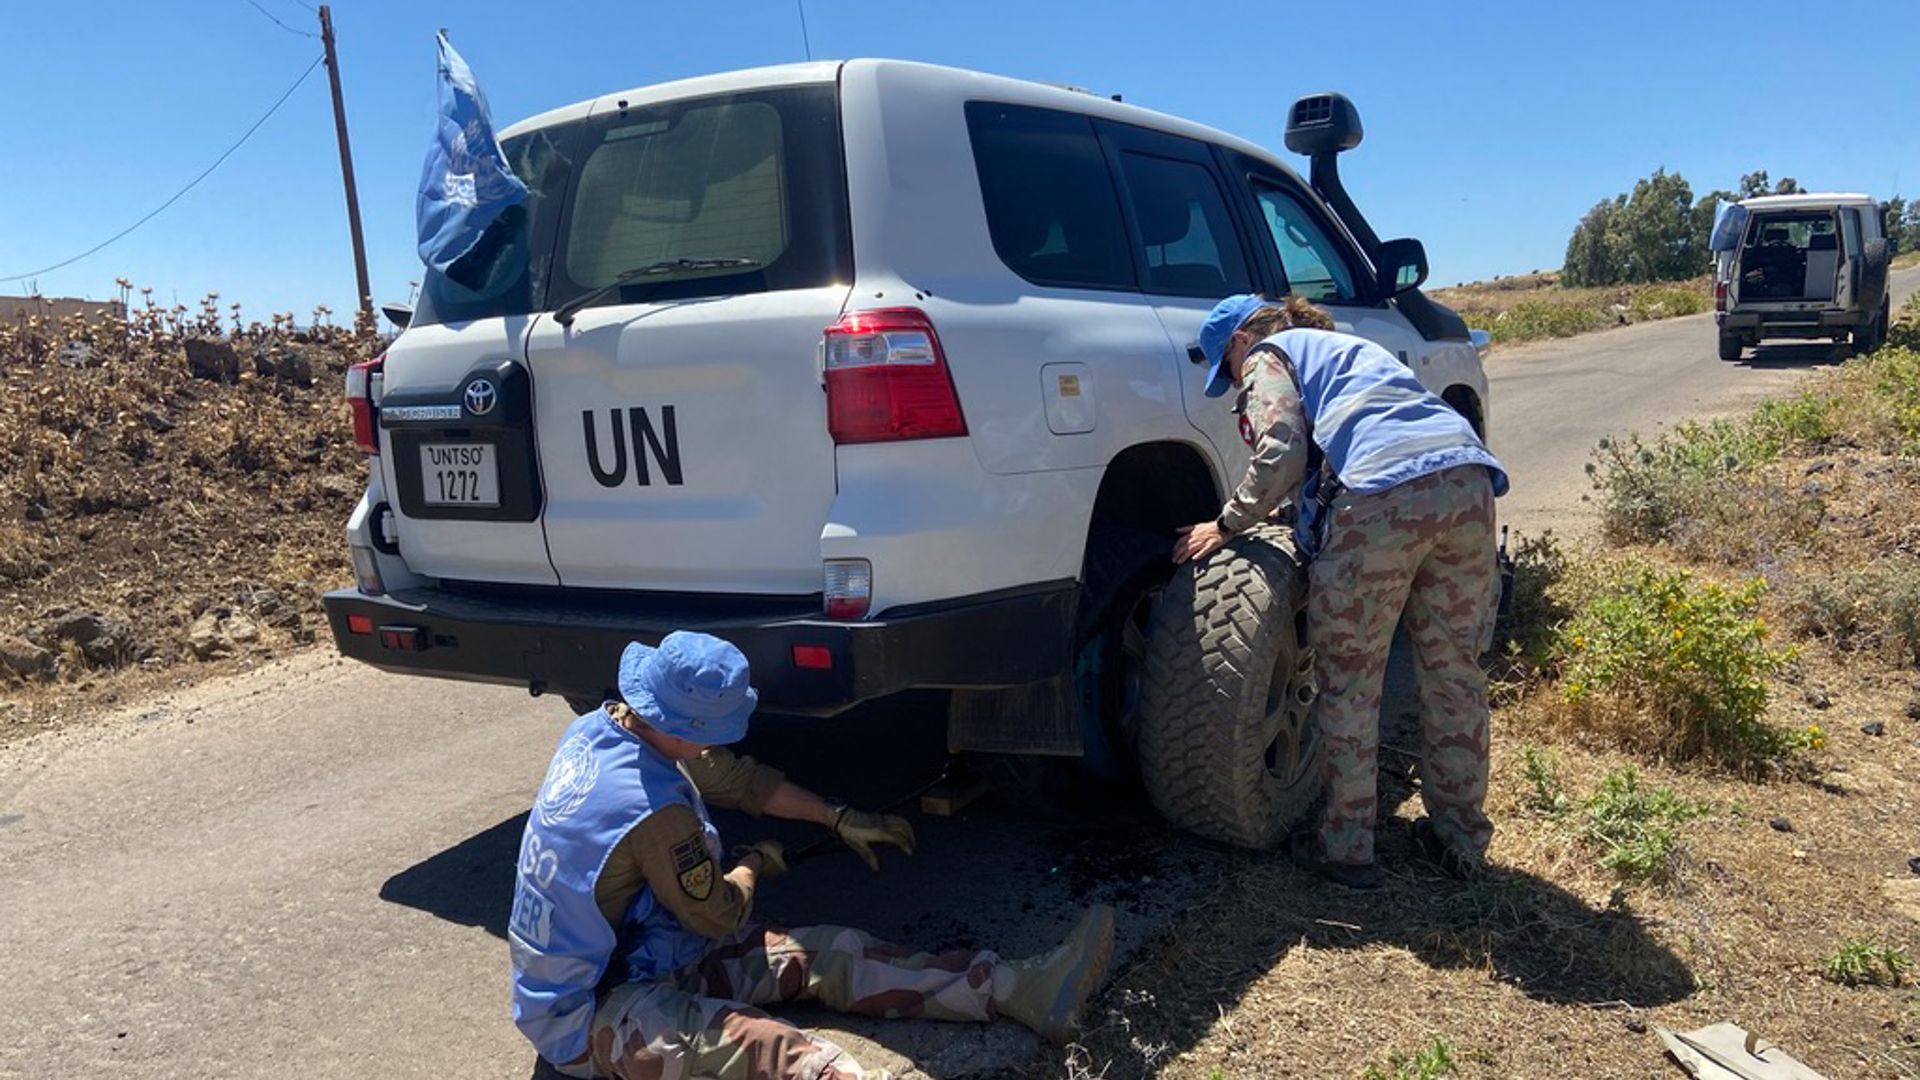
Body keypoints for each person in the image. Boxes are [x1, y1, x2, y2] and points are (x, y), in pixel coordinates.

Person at [509, 630, 1116, 1079]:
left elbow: (737, 780)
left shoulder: (606, 728)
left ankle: (1017, 987)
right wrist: (753, 864)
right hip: (590, 1016)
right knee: (780, 1051)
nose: (720, 741)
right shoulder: (652, 810)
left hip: (648, 954)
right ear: (688, 727)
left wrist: (841, 817)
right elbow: (719, 913)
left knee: (828, 951)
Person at [1173, 295, 1509, 891]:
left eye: (1227, 373)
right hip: (1465, 481)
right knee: (1454, 672)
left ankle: (1347, 849)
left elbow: (1279, 449)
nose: (1233, 384)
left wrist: (1225, 524)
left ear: (1239, 342)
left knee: (1350, 684)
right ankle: (1459, 840)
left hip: (1382, 498)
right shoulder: (1352, 348)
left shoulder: (1267, 355)